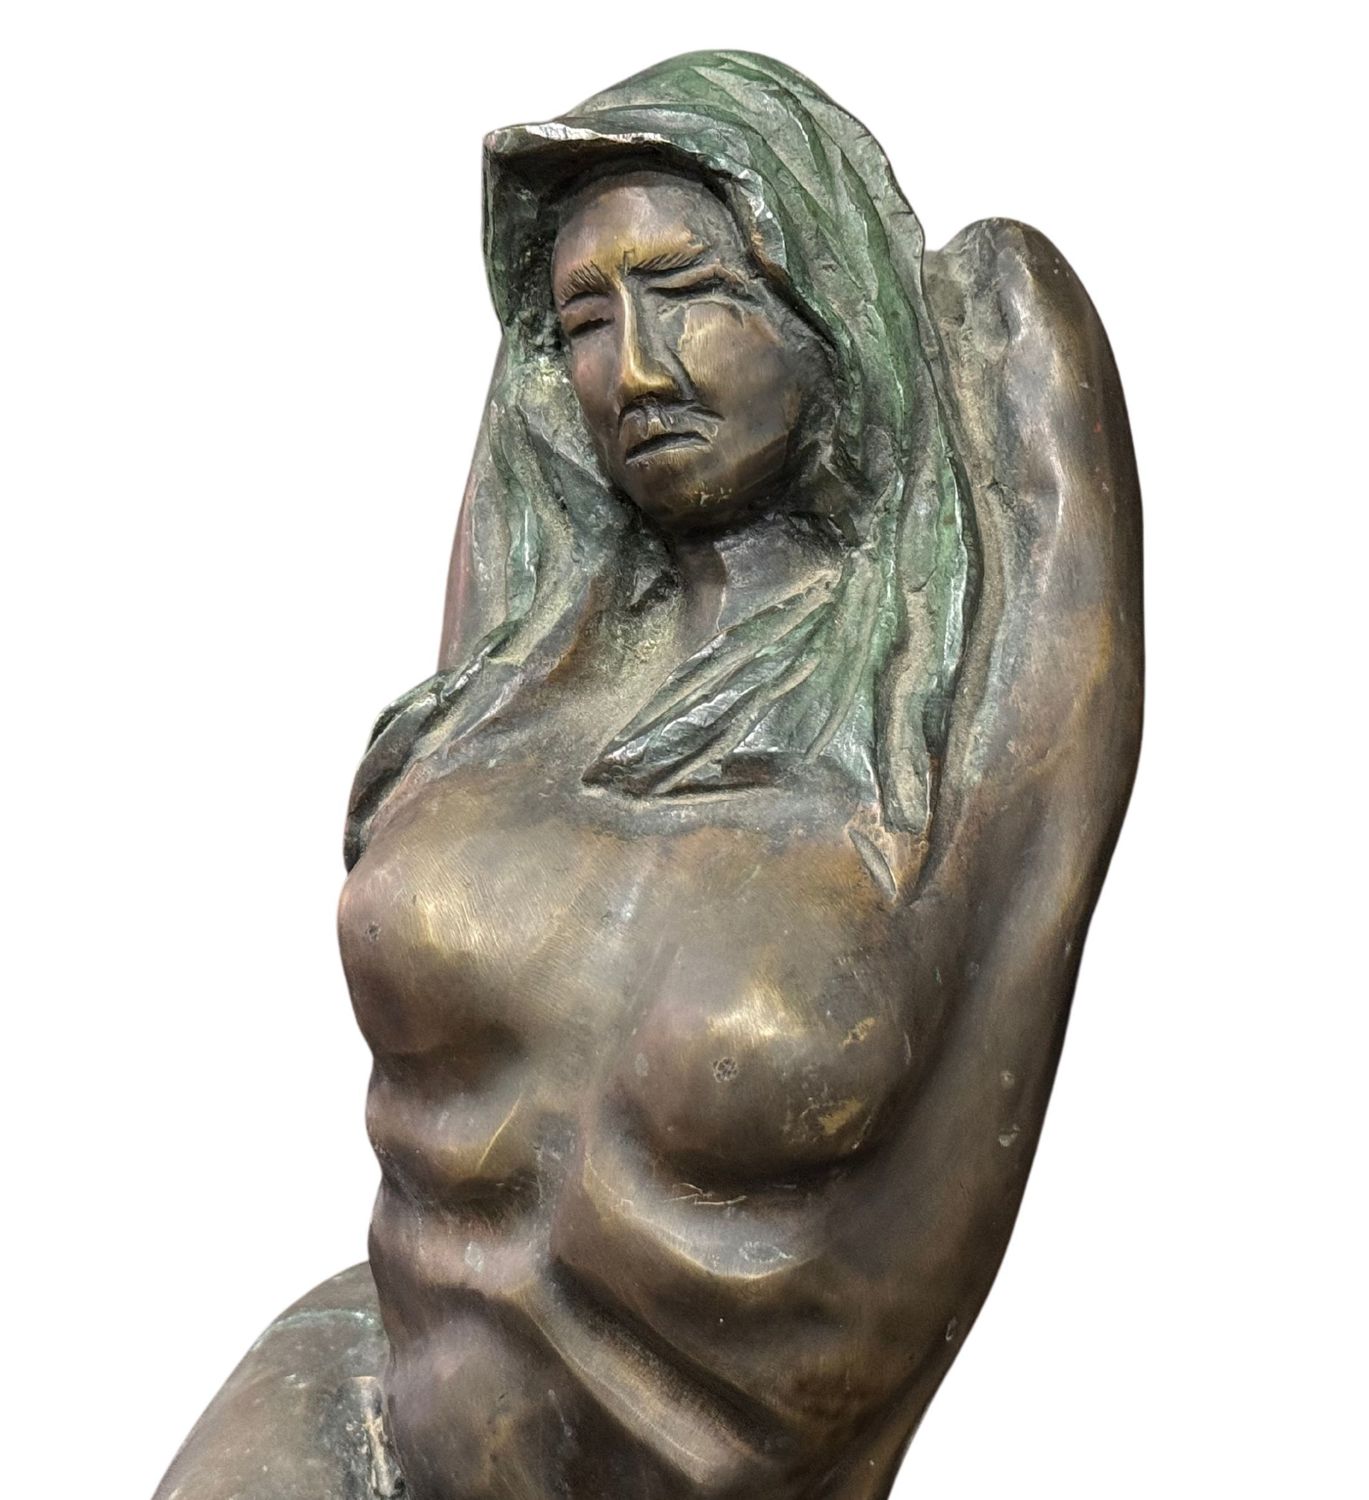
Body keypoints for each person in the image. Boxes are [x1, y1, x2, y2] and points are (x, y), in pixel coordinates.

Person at [154, 51, 1141, 1500]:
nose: (636, 370)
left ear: (832, 300)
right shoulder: (532, 668)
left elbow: (1010, 370)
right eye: (584, 323)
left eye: (692, 292)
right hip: (371, 1405)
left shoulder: (935, 737)